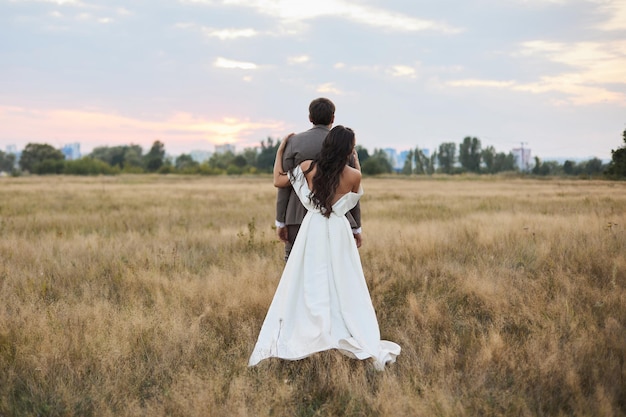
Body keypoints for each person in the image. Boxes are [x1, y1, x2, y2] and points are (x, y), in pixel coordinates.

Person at [248, 126, 401, 370]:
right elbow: (353, 191)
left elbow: (278, 180)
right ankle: (340, 328)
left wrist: (280, 150)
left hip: (313, 229)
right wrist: (356, 160)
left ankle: (309, 327)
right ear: (348, 149)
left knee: (310, 280)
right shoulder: (353, 175)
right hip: (338, 231)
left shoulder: (307, 167)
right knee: (343, 281)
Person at [275, 98, 361, 261]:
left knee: (295, 264)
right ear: (333, 118)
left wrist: (281, 220)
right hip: (337, 219)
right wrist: (356, 225)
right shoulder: (343, 143)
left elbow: (284, 185)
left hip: (297, 216)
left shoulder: (294, 142)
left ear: (310, 117)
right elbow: (352, 192)